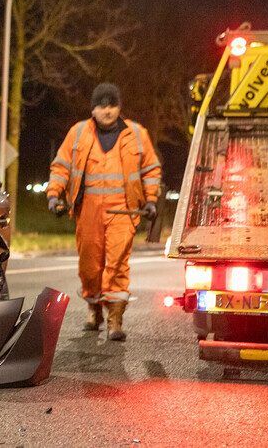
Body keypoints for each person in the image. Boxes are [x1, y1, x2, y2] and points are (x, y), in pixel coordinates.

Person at [46, 83, 161, 341]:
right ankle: (94, 309)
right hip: (88, 211)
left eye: (112, 105)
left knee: (117, 263)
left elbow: (151, 169)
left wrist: (151, 200)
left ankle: (115, 319)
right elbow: (61, 166)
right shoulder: (78, 133)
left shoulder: (136, 134)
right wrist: (54, 194)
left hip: (123, 210)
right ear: (93, 109)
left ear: (119, 107)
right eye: (101, 105)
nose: (107, 111)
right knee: (90, 266)